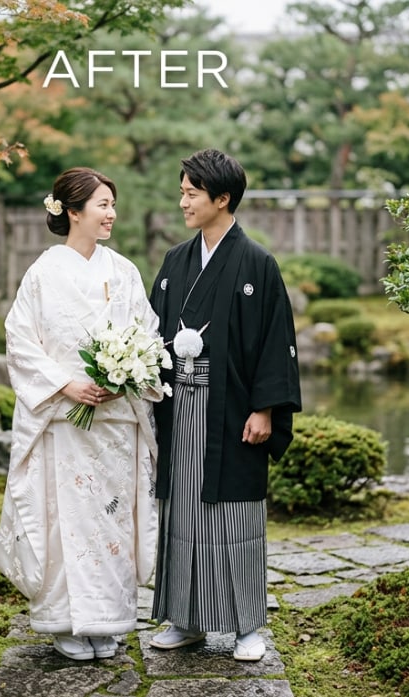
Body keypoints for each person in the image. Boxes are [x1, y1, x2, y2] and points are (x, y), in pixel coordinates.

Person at [0, 167, 164, 661]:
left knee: (110, 521)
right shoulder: (44, 272)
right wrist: (66, 384)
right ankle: (66, 622)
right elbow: (20, 341)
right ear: (72, 211)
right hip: (64, 422)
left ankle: (107, 620)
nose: (111, 214)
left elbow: (148, 334)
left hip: (115, 424)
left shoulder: (124, 271)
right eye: (102, 205)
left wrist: (126, 374)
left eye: (113, 204)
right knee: (65, 521)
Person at [146, 148, 301, 662]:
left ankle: (245, 626)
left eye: (192, 193)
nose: (183, 200)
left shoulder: (257, 264)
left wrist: (267, 409)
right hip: (180, 409)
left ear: (223, 198)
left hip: (232, 412)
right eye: (184, 191)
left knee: (233, 517)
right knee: (183, 512)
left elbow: (276, 341)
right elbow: (151, 335)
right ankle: (186, 620)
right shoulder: (174, 262)